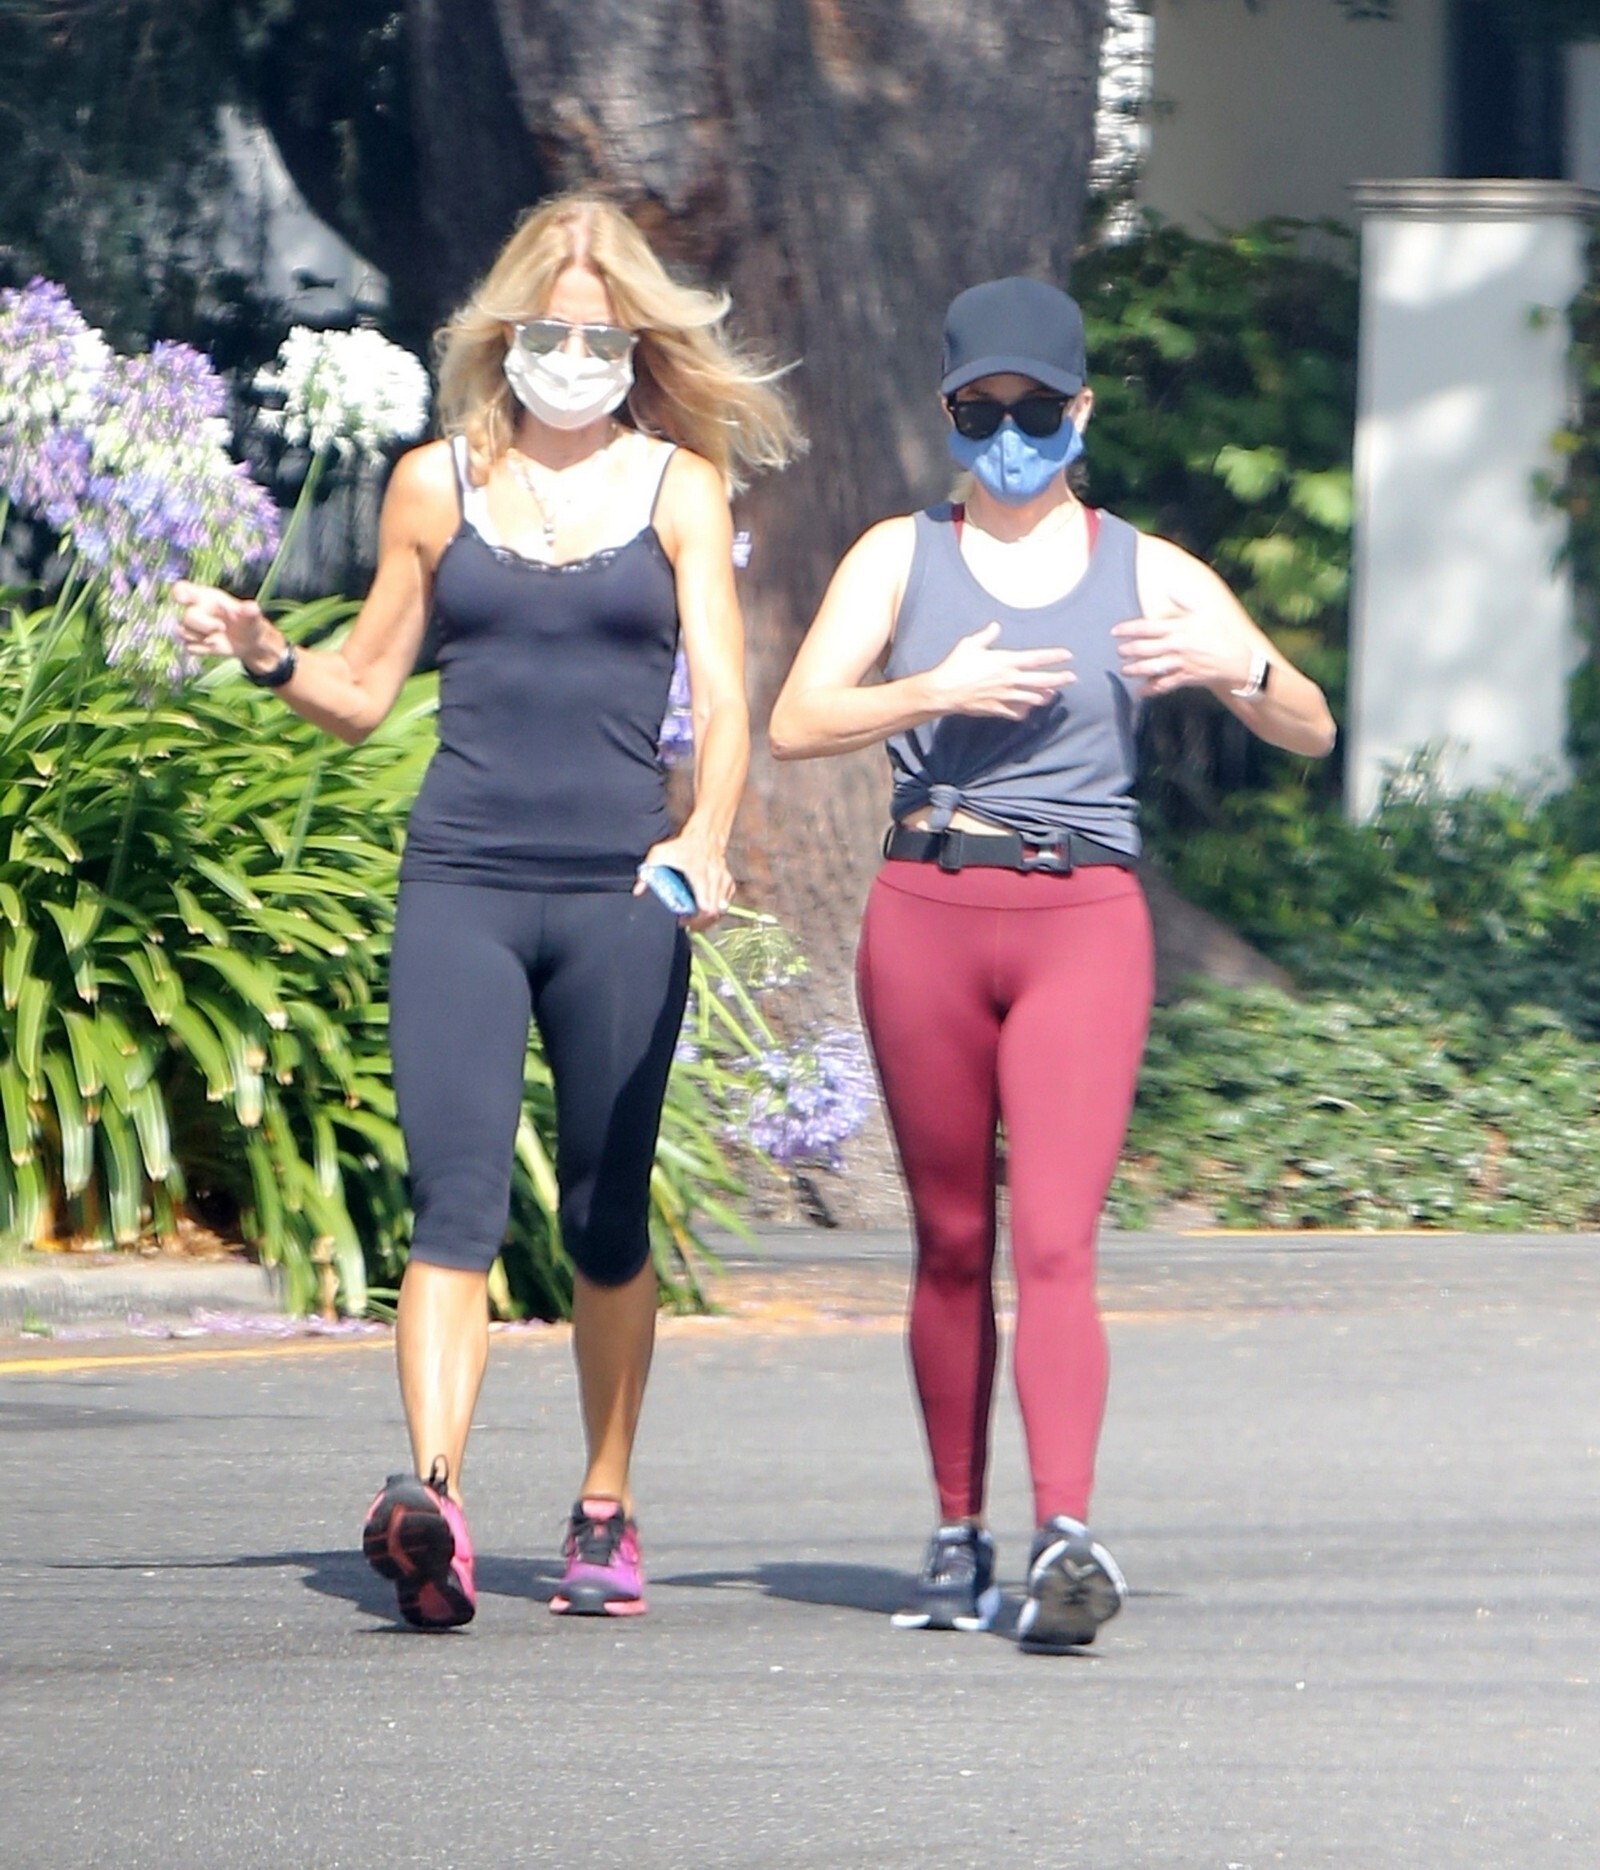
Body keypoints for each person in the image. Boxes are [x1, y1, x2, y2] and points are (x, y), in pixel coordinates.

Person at [176, 193, 800, 1628]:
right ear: (502, 334)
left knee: (602, 1211)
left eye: (600, 337)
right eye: (548, 332)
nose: (572, 358)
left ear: (637, 347)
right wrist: (269, 652)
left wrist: (704, 839)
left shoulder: (679, 489)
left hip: (618, 892)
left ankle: (604, 1501)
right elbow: (359, 692)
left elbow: (723, 699)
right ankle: (437, 1507)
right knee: (450, 1199)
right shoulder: (432, 486)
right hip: (461, 880)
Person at [769, 276, 1334, 1652]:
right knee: (954, 1238)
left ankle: (1064, 1533)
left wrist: (1241, 669)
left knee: (1058, 1239)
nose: (1010, 434)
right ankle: (956, 1532)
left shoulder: (1149, 566)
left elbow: (1313, 728)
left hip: (1083, 916)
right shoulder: (900, 556)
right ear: (948, 414)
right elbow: (795, 719)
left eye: (1035, 409)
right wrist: (931, 690)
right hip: (929, 903)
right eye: (982, 410)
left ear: (1080, 412)